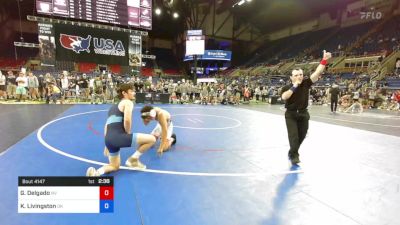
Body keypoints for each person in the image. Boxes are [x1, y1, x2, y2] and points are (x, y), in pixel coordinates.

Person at [86, 83, 156, 176]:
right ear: (124, 93)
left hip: (109, 140)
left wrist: (107, 145)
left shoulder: (112, 108)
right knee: (152, 139)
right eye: (131, 91)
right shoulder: (128, 102)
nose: (134, 93)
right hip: (118, 137)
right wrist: (127, 133)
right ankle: (133, 160)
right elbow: (127, 119)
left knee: (115, 166)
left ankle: (96, 173)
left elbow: (106, 125)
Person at [281, 50, 332, 165]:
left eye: (301, 75)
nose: (299, 76)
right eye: (296, 75)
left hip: (304, 113)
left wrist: (324, 60)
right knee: (294, 137)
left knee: (302, 136)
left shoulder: (306, 83)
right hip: (291, 115)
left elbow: (317, 72)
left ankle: (292, 151)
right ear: (291, 77)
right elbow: (285, 97)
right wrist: (295, 86)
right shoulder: (287, 87)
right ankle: (294, 155)